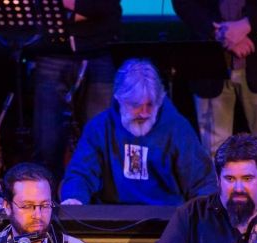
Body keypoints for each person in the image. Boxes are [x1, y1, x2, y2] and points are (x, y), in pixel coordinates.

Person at [172, 0, 257, 195]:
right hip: (209, 60)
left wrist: (248, 24)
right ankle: (217, 209)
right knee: (213, 150)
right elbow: (184, 3)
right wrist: (219, 32)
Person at [60, 59, 218, 205]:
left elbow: (202, 181)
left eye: (150, 105)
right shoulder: (99, 128)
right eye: (136, 105)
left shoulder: (178, 128)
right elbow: (81, 173)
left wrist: (206, 214)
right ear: (119, 99)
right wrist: (74, 197)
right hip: (112, 215)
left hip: (166, 218)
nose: (144, 113)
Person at [32, 0, 122, 178]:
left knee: (102, 139)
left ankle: (99, 192)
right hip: (52, 50)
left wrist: (73, 6)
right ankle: (48, 193)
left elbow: (109, 7)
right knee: (48, 142)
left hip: (98, 49)